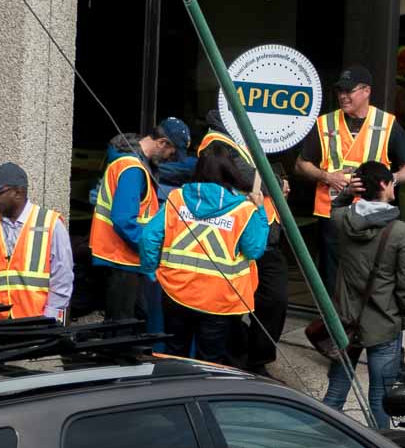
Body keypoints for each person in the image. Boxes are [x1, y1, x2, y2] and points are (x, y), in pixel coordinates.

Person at [141, 150, 270, 366]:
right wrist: (260, 211)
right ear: (230, 173)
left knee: (173, 356)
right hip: (219, 301)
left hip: (175, 292)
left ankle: (173, 397)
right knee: (209, 363)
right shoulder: (242, 209)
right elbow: (254, 250)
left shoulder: (177, 198)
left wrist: (151, 270)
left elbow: (148, 237)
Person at [295, 64, 405, 282]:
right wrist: (327, 177)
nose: (343, 96)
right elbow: (301, 165)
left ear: (366, 91)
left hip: (372, 214)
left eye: (349, 91)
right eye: (340, 91)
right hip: (332, 213)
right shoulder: (325, 123)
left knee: (368, 274)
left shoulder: (386, 123)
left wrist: (390, 180)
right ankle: (333, 317)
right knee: (331, 276)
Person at [322, 160, 405, 424]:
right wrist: (403, 317)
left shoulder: (342, 220)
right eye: (392, 182)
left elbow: (334, 207)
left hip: (346, 324)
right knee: (380, 398)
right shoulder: (398, 231)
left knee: (336, 392)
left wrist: (347, 192)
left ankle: (319, 437)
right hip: (384, 324)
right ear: (385, 185)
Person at [197, 112, 292, 375]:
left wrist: (275, 179)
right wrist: (275, 182)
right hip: (238, 237)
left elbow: (270, 171)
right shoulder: (216, 141)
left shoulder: (243, 141)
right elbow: (247, 176)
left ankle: (255, 359)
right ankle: (239, 361)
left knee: (274, 301)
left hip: (264, 234)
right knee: (233, 305)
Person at [90, 124, 182, 326]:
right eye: (171, 153)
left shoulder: (129, 164)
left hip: (121, 257)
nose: (170, 159)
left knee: (128, 322)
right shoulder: (133, 169)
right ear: (162, 143)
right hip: (122, 257)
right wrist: (148, 247)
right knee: (124, 326)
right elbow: (124, 220)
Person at [0, 162, 72, 321]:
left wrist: (49, 318)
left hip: (38, 321)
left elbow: (62, 277)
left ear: (18, 192)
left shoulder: (50, 223)